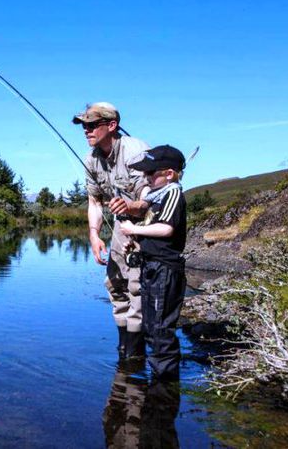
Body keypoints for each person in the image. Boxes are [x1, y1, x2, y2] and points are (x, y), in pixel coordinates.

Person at [72, 102, 150, 359]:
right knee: (115, 282)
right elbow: (95, 202)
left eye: (92, 125)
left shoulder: (136, 151)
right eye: (84, 126)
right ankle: (123, 346)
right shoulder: (91, 159)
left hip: (148, 222)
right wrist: (94, 235)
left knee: (136, 285)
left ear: (112, 125)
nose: (86, 130)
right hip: (119, 223)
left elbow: (151, 201)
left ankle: (135, 352)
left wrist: (131, 206)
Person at [118, 145, 187, 380]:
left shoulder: (172, 194)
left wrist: (133, 227)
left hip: (165, 270)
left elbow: (167, 228)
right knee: (151, 327)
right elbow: (153, 230)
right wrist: (136, 240)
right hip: (151, 267)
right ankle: (158, 381)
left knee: (161, 330)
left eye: (150, 173)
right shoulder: (156, 199)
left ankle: (164, 386)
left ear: (169, 174)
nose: (146, 178)